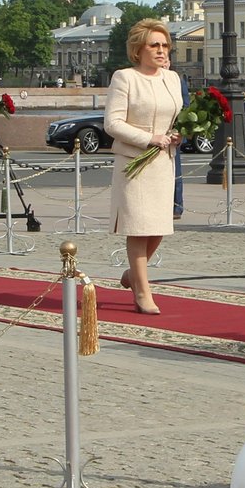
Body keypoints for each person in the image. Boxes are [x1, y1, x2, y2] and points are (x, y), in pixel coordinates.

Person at [105, 19, 182, 314]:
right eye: (155, 45)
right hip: (134, 164)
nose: (161, 51)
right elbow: (112, 124)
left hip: (163, 162)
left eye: (165, 45)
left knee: (159, 227)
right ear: (139, 49)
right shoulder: (125, 78)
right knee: (138, 228)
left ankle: (132, 274)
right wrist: (149, 138)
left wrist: (178, 133)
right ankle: (142, 291)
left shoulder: (171, 78)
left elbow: (175, 115)